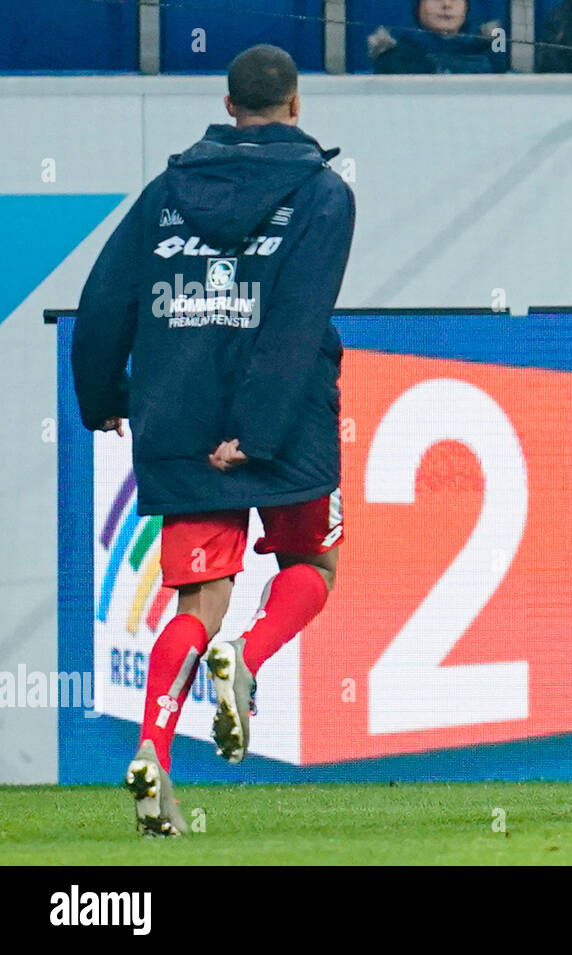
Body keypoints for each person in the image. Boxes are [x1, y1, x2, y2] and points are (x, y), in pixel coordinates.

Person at [71, 44, 356, 836]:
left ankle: (153, 752)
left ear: (228, 109)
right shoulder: (324, 195)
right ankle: (250, 659)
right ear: (296, 107)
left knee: (198, 598)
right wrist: (258, 432)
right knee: (311, 563)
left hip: (181, 419)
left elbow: (102, 302)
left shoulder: (165, 193)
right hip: (286, 424)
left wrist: (103, 398)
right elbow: (297, 319)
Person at [368, 0, 508, 75]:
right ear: (418, 7)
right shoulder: (394, 56)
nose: (446, 4)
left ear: (467, 7)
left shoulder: (488, 51)